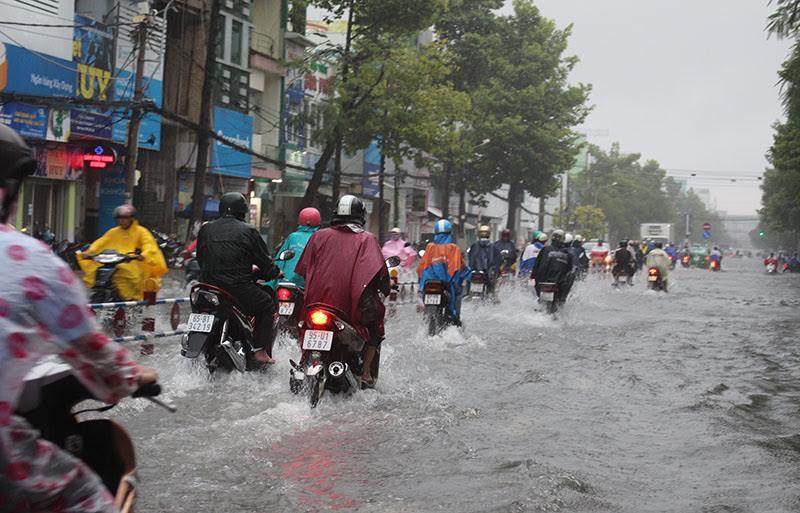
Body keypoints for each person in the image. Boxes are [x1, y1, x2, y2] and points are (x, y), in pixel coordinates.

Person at [0, 124, 158, 513]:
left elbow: (152, 257)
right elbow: (91, 347)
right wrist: (130, 376)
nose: (121, 222)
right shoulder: (29, 257)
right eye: (118, 218)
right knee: (89, 498)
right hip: (108, 284)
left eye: (124, 218)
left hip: (130, 280)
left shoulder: (140, 235)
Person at [295, 195, 390, 386]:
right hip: (349, 308)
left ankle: (302, 363)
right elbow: (380, 275)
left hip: (316, 303)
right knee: (376, 324)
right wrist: (385, 287)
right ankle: (365, 374)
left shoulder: (318, 236)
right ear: (361, 216)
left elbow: (303, 269)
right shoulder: (367, 239)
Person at [197, 192, 282, 364]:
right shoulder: (249, 231)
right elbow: (264, 263)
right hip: (238, 289)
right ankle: (259, 351)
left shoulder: (205, 229)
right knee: (267, 304)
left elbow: (200, 258)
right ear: (242, 211)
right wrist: (275, 273)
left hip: (208, 289)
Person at [77, 204, 168, 301]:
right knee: (97, 271)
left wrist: (143, 255)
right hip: (114, 262)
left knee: (131, 276)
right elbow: (101, 242)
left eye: (125, 218)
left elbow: (149, 245)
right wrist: (89, 252)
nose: (122, 220)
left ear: (132, 219)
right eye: (119, 218)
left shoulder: (141, 231)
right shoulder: (113, 232)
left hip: (134, 263)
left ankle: (131, 300)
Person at [417, 219, 470, 325]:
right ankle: (455, 317)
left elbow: (421, 268)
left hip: (429, 282)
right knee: (458, 293)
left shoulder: (430, 247)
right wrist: (468, 275)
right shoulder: (454, 248)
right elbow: (460, 266)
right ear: (449, 232)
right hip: (447, 283)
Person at [271, 207, 321, 289]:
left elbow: (279, 262)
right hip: (307, 285)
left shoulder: (292, 237)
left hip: (286, 282)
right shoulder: (319, 238)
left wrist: (271, 282)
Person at [531, 229, 575, 304]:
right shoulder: (567, 253)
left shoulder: (545, 249)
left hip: (545, 282)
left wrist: (533, 276)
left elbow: (536, 265)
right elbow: (570, 269)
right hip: (557, 284)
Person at [468, 225, 502, 293]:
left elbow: (470, 257)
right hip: (488, 273)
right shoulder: (493, 246)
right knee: (492, 288)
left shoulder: (474, 245)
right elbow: (498, 259)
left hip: (474, 271)